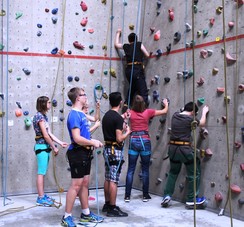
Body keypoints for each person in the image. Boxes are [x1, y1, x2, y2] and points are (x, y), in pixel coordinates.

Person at [61, 87, 104, 227]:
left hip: (85, 153)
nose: (86, 96)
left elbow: (96, 119)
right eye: (83, 95)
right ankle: (66, 217)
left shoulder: (81, 114)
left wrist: (97, 108)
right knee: (76, 185)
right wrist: (93, 141)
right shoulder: (74, 115)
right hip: (78, 153)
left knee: (84, 183)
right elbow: (76, 138)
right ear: (77, 98)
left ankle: (86, 214)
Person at [161, 102, 209, 208]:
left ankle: (167, 195)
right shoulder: (190, 120)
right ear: (192, 112)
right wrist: (204, 113)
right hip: (184, 150)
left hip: (173, 149)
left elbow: (182, 109)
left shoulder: (175, 115)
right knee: (194, 173)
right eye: (194, 113)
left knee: (173, 172)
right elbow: (202, 123)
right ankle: (192, 199)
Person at [124, 95, 169, 202]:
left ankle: (127, 196)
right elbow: (164, 111)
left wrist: (127, 117)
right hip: (145, 141)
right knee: (145, 169)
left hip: (134, 140)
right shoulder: (148, 112)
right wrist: (166, 104)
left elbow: (122, 118)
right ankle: (145, 195)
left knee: (130, 170)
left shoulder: (130, 112)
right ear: (143, 103)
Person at [33, 96, 68, 206]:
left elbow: (50, 134)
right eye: (48, 102)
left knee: (42, 172)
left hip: (44, 147)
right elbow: (46, 136)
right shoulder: (39, 117)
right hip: (41, 147)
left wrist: (60, 142)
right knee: (41, 172)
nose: (50, 104)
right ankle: (40, 197)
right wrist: (54, 147)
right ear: (43, 104)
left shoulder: (44, 116)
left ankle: (42, 195)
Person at [101, 92, 131, 217]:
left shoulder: (106, 116)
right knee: (114, 180)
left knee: (108, 177)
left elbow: (114, 131)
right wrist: (128, 132)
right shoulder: (118, 118)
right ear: (120, 103)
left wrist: (123, 125)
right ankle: (112, 208)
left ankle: (107, 204)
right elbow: (119, 139)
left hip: (107, 149)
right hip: (115, 151)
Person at [114, 29, 150, 110]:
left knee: (133, 87)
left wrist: (118, 33)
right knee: (143, 91)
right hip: (137, 69)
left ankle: (126, 104)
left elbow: (116, 44)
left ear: (129, 40)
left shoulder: (126, 46)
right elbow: (147, 55)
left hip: (128, 71)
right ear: (136, 39)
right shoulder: (139, 44)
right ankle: (145, 109)